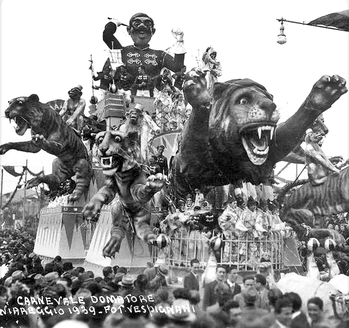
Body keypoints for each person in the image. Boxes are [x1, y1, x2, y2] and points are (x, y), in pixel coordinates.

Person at [103, 13, 186, 80]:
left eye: (147, 24)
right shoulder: (122, 52)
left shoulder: (160, 55)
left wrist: (180, 41)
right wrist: (114, 23)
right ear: (128, 30)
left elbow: (177, 67)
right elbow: (107, 36)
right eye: (137, 23)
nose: (142, 26)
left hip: (153, 97)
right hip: (127, 96)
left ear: (153, 31)